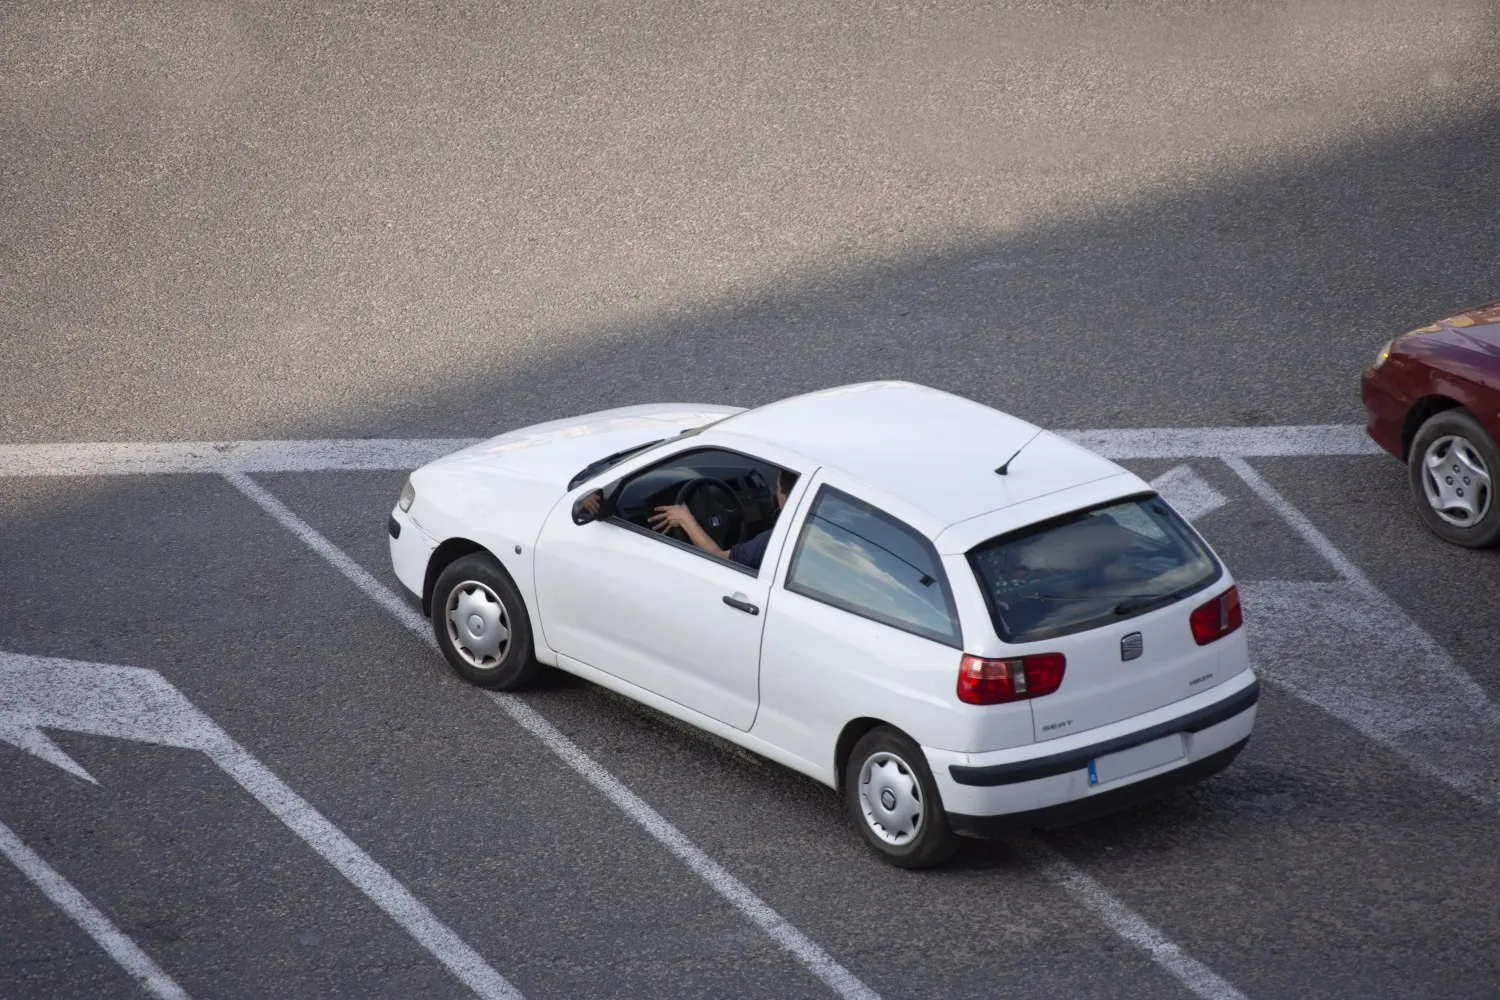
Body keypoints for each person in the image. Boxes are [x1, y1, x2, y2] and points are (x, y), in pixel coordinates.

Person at [649, 468, 795, 569]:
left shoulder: (773, 541)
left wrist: (685, 519)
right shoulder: (808, 526)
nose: (776, 494)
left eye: (777, 488)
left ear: (785, 497)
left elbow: (719, 558)